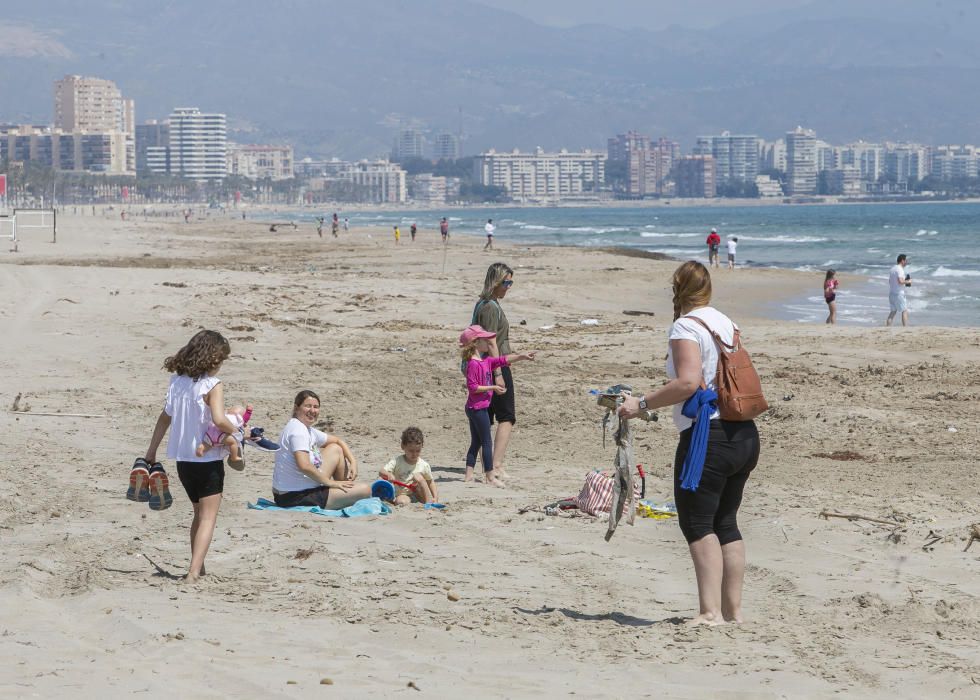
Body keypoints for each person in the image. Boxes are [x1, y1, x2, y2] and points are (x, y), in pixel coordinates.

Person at [619, 261, 760, 625]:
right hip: (742, 433)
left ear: (678, 289)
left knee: (698, 523)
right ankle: (733, 612)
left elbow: (687, 382)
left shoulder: (686, 325)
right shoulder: (727, 323)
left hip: (706, 437)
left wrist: (642, 404)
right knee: (726, 521)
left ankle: (710, 612)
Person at [135, 330, 243, 582]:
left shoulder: (177, 382)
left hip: (183, 460)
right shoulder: (212, 385)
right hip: (207, 459)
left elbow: (164, 419)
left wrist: (150, 452)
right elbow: (218, 419)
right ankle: (193, 572)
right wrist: (239, 430)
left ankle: (199, 565)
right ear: (213, 359)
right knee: (208, 517)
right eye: (221, 360)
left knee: (198, 513)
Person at [459, 324, 535, 485]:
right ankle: (490, 476)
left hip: (477, 408)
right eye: (485, 340)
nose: (489, 342)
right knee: (486, 442)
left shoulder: (486, 360)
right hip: (477, 409)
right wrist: (493, 387)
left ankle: (468, 475)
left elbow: (503, 359)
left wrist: (521, 356)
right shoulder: (473, 363)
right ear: (475, 343)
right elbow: (473, 388)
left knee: (476, 441)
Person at [272, 390, 372, 509]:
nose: (312, 411)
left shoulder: (304, 428)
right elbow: (304, 466)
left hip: (288, 491)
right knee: (366, 490)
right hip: (294, 496)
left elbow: (338, 441)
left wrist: (353, 462)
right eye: (308, 406)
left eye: (316, 407)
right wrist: (330, 483)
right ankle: (344, 493)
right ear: (296, 408)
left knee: (335, 449)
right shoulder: (298, 431)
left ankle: (345, 489)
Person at [472, 263, 525, 479]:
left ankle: (480, 465)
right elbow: (491, 341)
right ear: (495, 282)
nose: (508, 287)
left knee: (486, 415)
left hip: (487, 365)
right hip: (494, 366)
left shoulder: (484, 304)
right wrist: (498, 373)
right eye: (506, 282)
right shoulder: (490, 307)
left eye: (511, 282)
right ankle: (496, 464)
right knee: (506, 416)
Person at [379, 427, 438, 505]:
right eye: (411, 451)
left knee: (419, 477)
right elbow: (381, 471)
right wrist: (388, 474)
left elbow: (430, 482)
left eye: (418, 451)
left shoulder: (424, 465)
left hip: (419, 494)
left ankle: (428, 502)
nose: (414, 454)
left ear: (422, 446)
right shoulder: (397, 461)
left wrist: (435, 497)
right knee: (401, 502)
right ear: (403, 446)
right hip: (403, 494)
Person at [886, 254, 912, 327]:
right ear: (902, 261)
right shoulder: (900, 269)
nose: (906, 262)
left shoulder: (892, 269)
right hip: (899, 294)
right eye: (906, 260)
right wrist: (908, 282)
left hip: (891, 293)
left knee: (893, 312)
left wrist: (903, 281)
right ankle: (905, 328)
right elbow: (900, 281)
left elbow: (890, 281)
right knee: (904, 311)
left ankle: (887, 328)